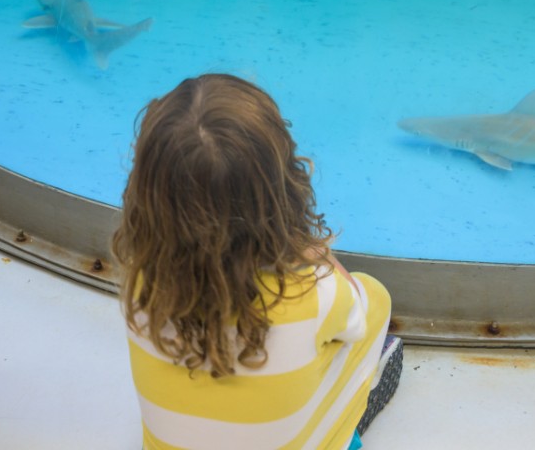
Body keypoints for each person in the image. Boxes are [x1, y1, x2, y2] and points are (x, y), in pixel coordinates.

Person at [111, 73, 402, 450]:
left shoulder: (139, 285)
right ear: (281, 188)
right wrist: (315, 254)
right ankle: (343, 434)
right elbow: (357, 319)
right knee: (373, 300)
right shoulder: (313, 293)